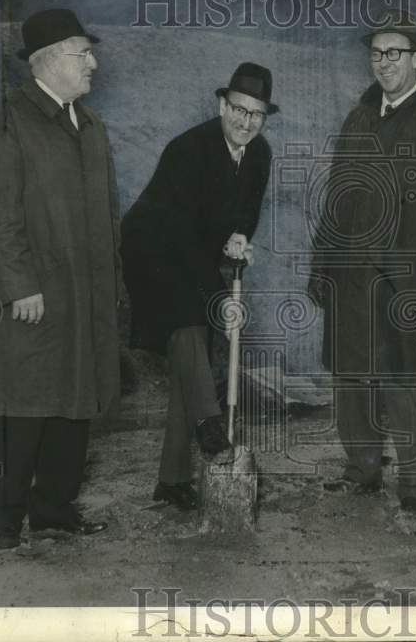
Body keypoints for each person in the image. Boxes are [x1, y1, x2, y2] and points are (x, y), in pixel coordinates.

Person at [307, 9, 416, 516]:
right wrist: (320, 266)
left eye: (394, 53)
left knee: (405, 383)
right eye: (377, 54)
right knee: (352, 378)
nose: (384, 63)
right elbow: (336, 199)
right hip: (351, 278)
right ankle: (362, 471)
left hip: (407, 281)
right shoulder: (357, 118)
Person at [0, 8, 121, 551]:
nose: (93, 64)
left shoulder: (91, 125)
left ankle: (54, 510)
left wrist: (110, 288)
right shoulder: (4, 119)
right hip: (32, 292)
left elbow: (107, 215)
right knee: (19, 402)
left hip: (83, 292)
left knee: (74, 397)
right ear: (50, 59)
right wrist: (19, 285)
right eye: (85, 53)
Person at [120, 62, 275, 511]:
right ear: (222, 105)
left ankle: (172, 481)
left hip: (195, 256)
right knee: (191, 325)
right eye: (239, 110)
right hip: (152, 251)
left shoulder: (259, 153)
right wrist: (220, 297)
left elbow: (247, 209)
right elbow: (180, 236)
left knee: (193, 361)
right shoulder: (187, 150)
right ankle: (209, 422)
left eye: (256, 114)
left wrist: (240, 235)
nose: (246, 122)